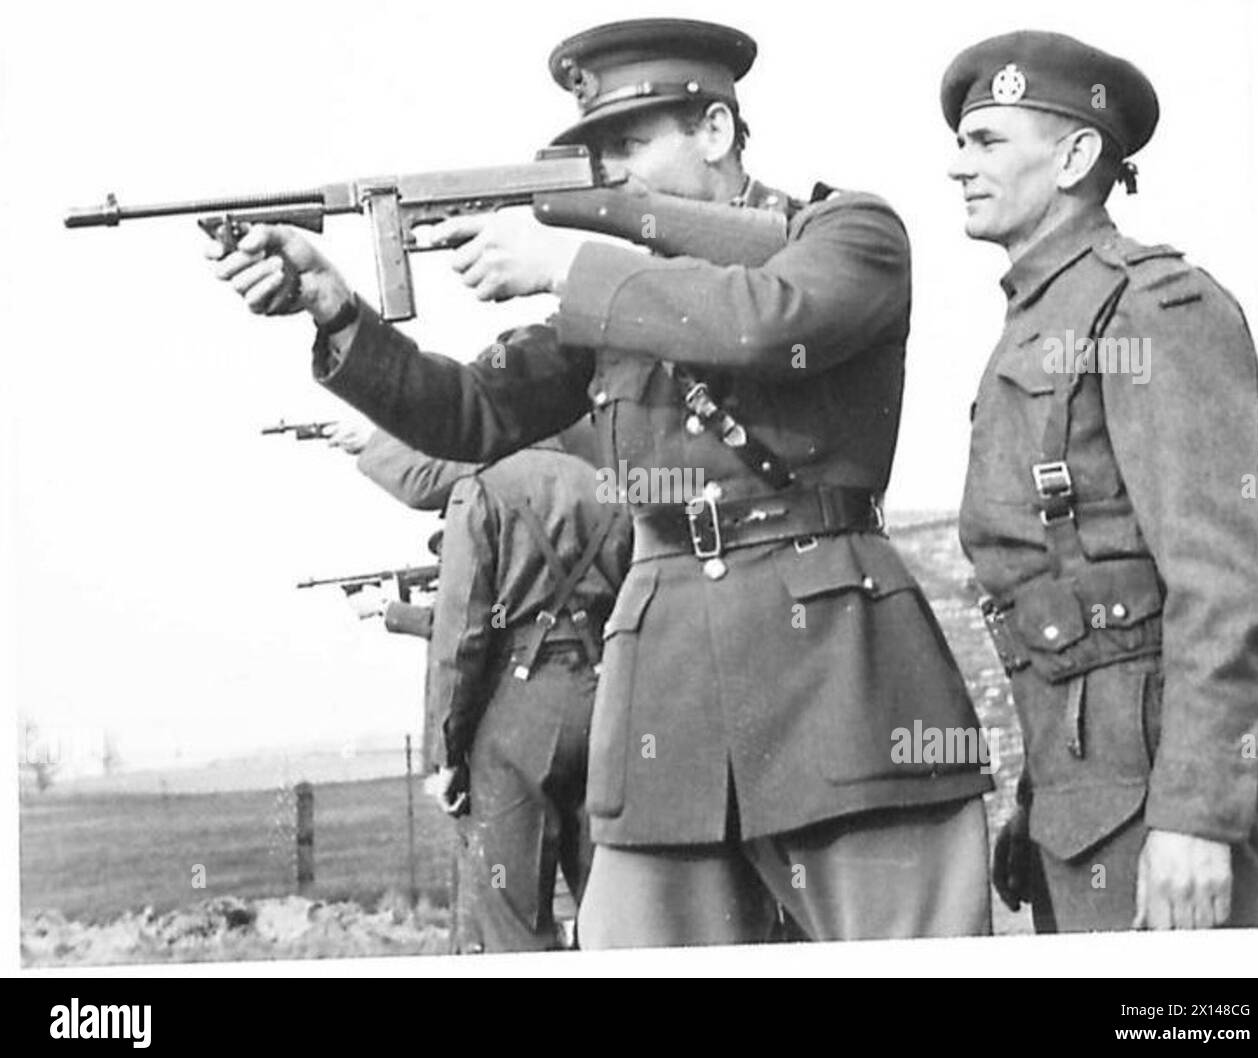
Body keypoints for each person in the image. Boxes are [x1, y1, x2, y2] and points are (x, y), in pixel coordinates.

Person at [210, 17, 993, 947]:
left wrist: (575, 260)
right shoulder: (623, 297)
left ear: (715, 131)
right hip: (664, 701)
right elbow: (470, 414)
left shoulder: (847, 230)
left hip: (838, 684)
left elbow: (766, 320)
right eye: (596, 155)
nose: (610, 175)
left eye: (630, 144)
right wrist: (336, 309)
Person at [942, 30, 1258, 932]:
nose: (957, 167)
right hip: (1083, 809)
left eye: (987, 142)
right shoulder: (1039, 316)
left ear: (1077, 156)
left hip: (1161, 816)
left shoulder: (1153, 308)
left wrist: (1197, 819)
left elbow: (1225, 581)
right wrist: (1040, 798)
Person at [331, 418, 629, 952]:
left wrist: (444, 755)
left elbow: (461, 635)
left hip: (517, 707)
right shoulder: (607, 483)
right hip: (609, 700)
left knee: (514, 921)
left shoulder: (481, 489)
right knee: (615, 909)